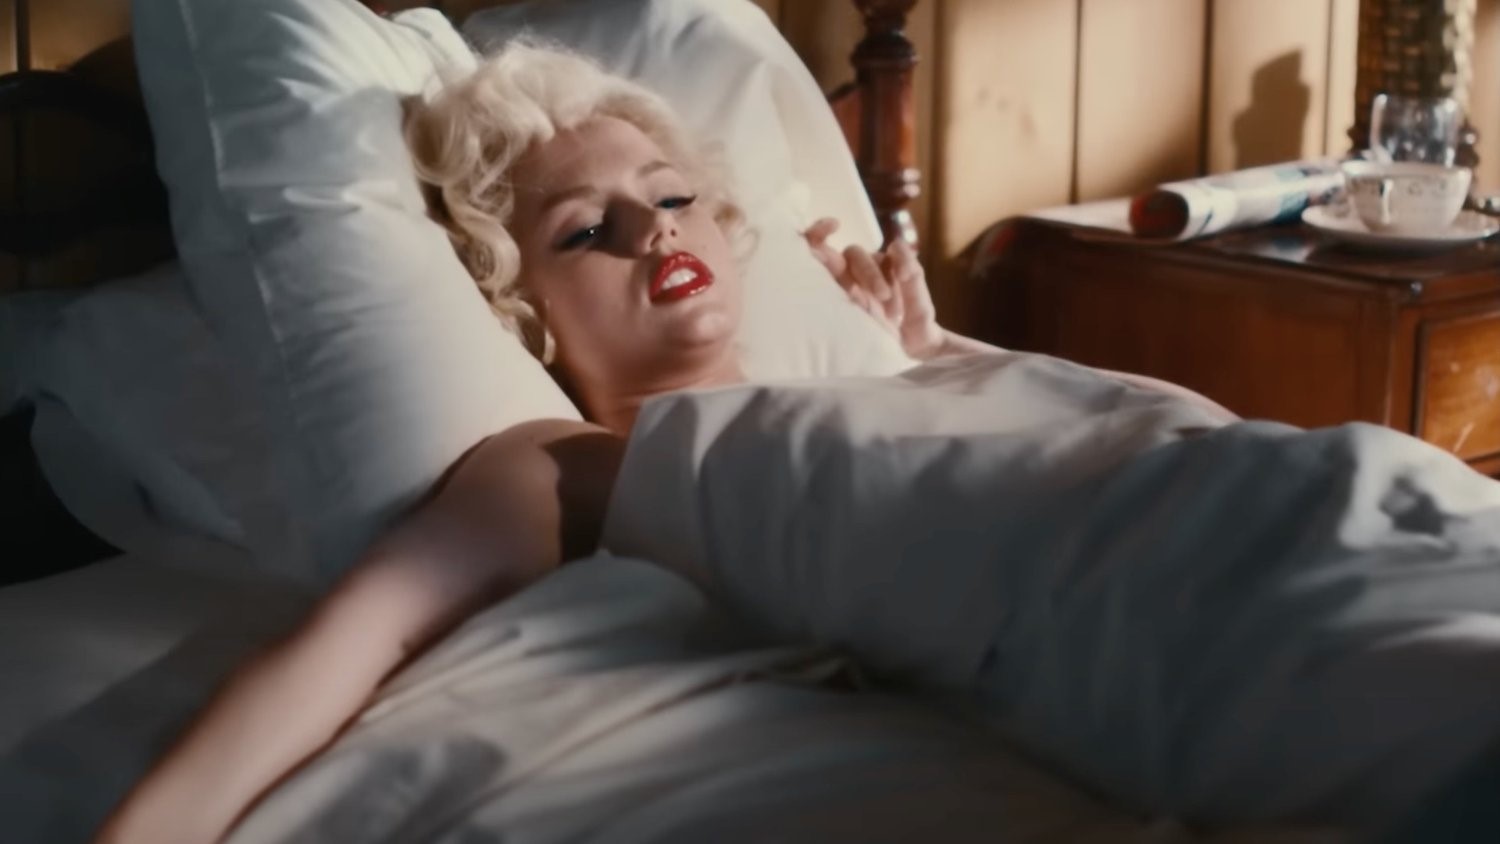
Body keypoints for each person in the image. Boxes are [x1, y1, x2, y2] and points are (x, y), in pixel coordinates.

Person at [102, 43, 1491, 843]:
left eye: (672, 195)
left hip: (1368, 507)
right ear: (517, 313)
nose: (653, 229)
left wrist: (937, 353)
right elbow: (335, 656)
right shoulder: (564, 464)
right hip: (1235, 608)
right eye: (584, 231)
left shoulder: (888, 371)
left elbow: (1139, 428)